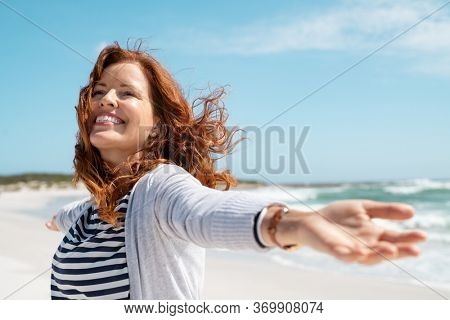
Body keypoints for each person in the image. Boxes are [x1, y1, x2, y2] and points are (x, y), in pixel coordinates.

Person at [45, 41, 427, 300]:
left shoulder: (160, 189)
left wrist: (287, 223)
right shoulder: (92, 209)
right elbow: (72, 214)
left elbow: (202, 211)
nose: (106, 99)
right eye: (98, 91)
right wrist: (55, 219)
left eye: (126, 92)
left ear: (158, 124)